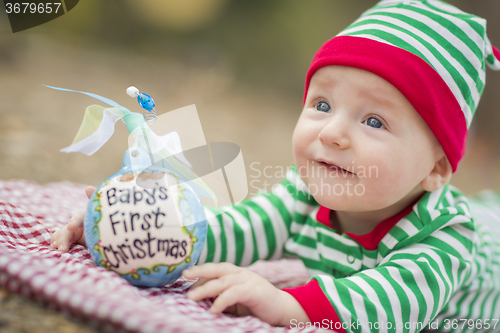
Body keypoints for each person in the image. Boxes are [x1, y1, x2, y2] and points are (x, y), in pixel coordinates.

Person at [52, 0, 500, 331]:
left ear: (437, 168)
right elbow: (244, 228)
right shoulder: (304, 197)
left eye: (374, 120)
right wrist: (148, 229)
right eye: (322, 104)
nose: (331, 133)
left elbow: (392, 304)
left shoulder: (444, 235)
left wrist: (291, 307)